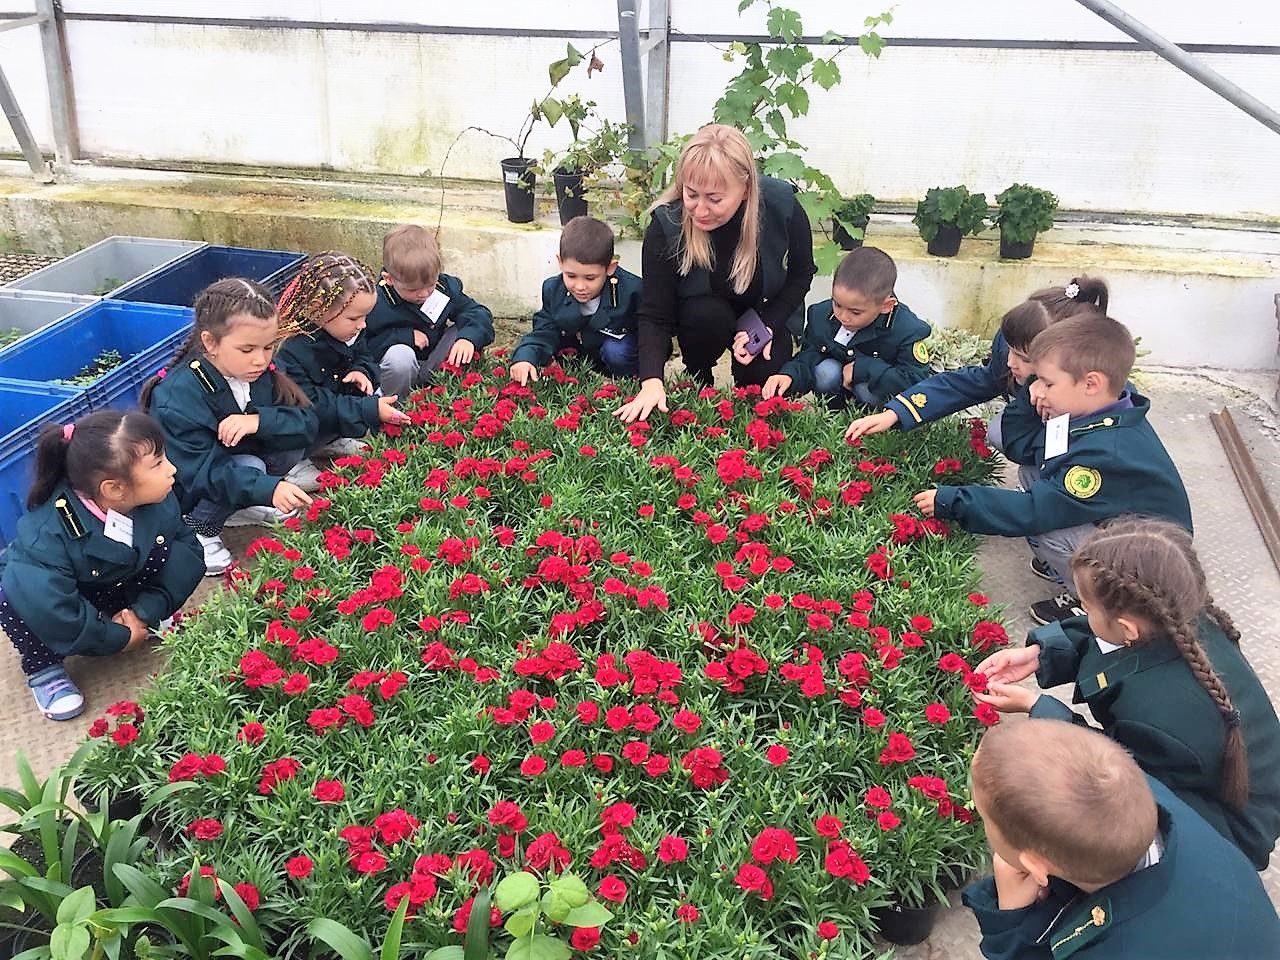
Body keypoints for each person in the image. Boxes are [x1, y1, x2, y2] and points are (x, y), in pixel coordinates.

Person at [974, 519, 1280, 870]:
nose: (1083, 614)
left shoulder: (1157, 714)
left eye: (1085, 608)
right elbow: (1105, 641)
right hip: (1216, 779)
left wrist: (1039, 708)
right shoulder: (1181, 618)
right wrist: (1041, 654)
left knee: (1079, 814)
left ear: (1127, 628)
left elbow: (1117, 772)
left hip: (1225, 830)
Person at [913, 315, 1192, 625]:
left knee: (1049, 527)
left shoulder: (1105, 453)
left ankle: (1093, 603)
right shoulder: (1101, 411)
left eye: (1047, 382)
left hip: (1150, 565)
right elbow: (1028, 451)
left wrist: (953, 501)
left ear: (1091, 383)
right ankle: (1069, 568)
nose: (1037, 390)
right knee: (1033, 474)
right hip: (1129, 528)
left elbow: (1035, 511)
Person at [962, 719, 1279, 959]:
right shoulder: (1143, 802)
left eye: (986, 818)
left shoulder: (1121, 949)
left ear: (1036, 863)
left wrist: (1010, 919)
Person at [0, 411, 204, 720]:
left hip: (114, 585)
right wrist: (117, 638)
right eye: (158, 463)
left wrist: (147, 611)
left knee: (167, 548)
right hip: (69, 599)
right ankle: (43, 667)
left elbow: (188, 551)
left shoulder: (157, 497)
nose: (172, 469)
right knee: (14, 594)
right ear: (114, 489)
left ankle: (137, 618)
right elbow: (53, 610)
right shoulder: (48, 532)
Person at [614, 124, 816, 422]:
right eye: (691, 194)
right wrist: (651, 382)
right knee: (704, 315)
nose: (700, 210)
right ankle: (698, 374)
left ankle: (748, 375)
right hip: (703, 315)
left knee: (765, 383)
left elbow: (801, 274)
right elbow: (655, 312)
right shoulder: (666, 223)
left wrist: (771, 325)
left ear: (746, 189)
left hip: (761, 313)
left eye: (715, 198)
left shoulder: (781, 206)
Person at [141, 278, 317, 576]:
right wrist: (267, 487)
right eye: (247, 349)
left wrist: (259, 421)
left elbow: (307, 421)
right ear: (210, 342)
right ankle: (200, 530)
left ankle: (242, 506)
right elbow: (200, 472)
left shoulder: (259, 372)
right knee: (249, 465)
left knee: (288, 441)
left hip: (236, 467)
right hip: (191, 490)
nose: (260, 359)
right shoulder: (178, 395)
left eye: (269, 346)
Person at [842, 276, 1108, 443]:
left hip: (1078, 450)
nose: (1009, 363)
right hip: (1038, 431)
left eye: (1023, 358)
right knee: (1000, 432)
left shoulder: (1094, 398)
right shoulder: (1011, 350)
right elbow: (965, 385)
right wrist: (896, 413)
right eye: (1011, 350)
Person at [274, 251, 410, 467]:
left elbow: (365, 355)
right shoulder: (291, 349)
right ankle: (291, 468)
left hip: (331, 413)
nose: (363, 325)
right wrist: (367, 409)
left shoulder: (349, 330)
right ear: (317, 308)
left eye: (365, 316)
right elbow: (311, 405)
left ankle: (329, 442)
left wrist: (361, 370)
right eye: (354, 318)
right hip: (296, 427)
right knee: (296, 425)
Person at [761, 246, 931, 408]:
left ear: (886, 306)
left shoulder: (907, 330)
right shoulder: (821, 315)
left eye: (855, 312)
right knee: (826, 372)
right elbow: (809, 355)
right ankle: (832, 417)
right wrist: (790, 375)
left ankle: (871, 427)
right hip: (836, 391)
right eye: (837, 304)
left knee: (866, 390)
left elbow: (915, 381)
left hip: (879, 403)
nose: (843, 316)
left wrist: (864, 369)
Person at [364, 224, 495, 397]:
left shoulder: (443, 288)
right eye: (413, 290)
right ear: (389, 279)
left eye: (430, 285)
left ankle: (444, 395)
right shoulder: (375, 302)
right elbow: (363, 347)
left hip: (434, 363)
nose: (424, 294)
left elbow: (477, 312)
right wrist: (404, 336)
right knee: (400, 357)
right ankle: (393, 405)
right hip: (395, 373)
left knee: (461, 330)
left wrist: (468, 338)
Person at [509, 216, 642, 384]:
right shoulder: (553, 289)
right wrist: (525, 357)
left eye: (590, 278)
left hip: (620, 358)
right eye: (571, 275)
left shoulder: (632, 291)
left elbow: (652, 335)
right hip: (580, 359)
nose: (580, 286)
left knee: (616, 351)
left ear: (610, 268)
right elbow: (544, 330)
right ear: (560, 262)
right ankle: (576, 379)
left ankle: (628, 383)